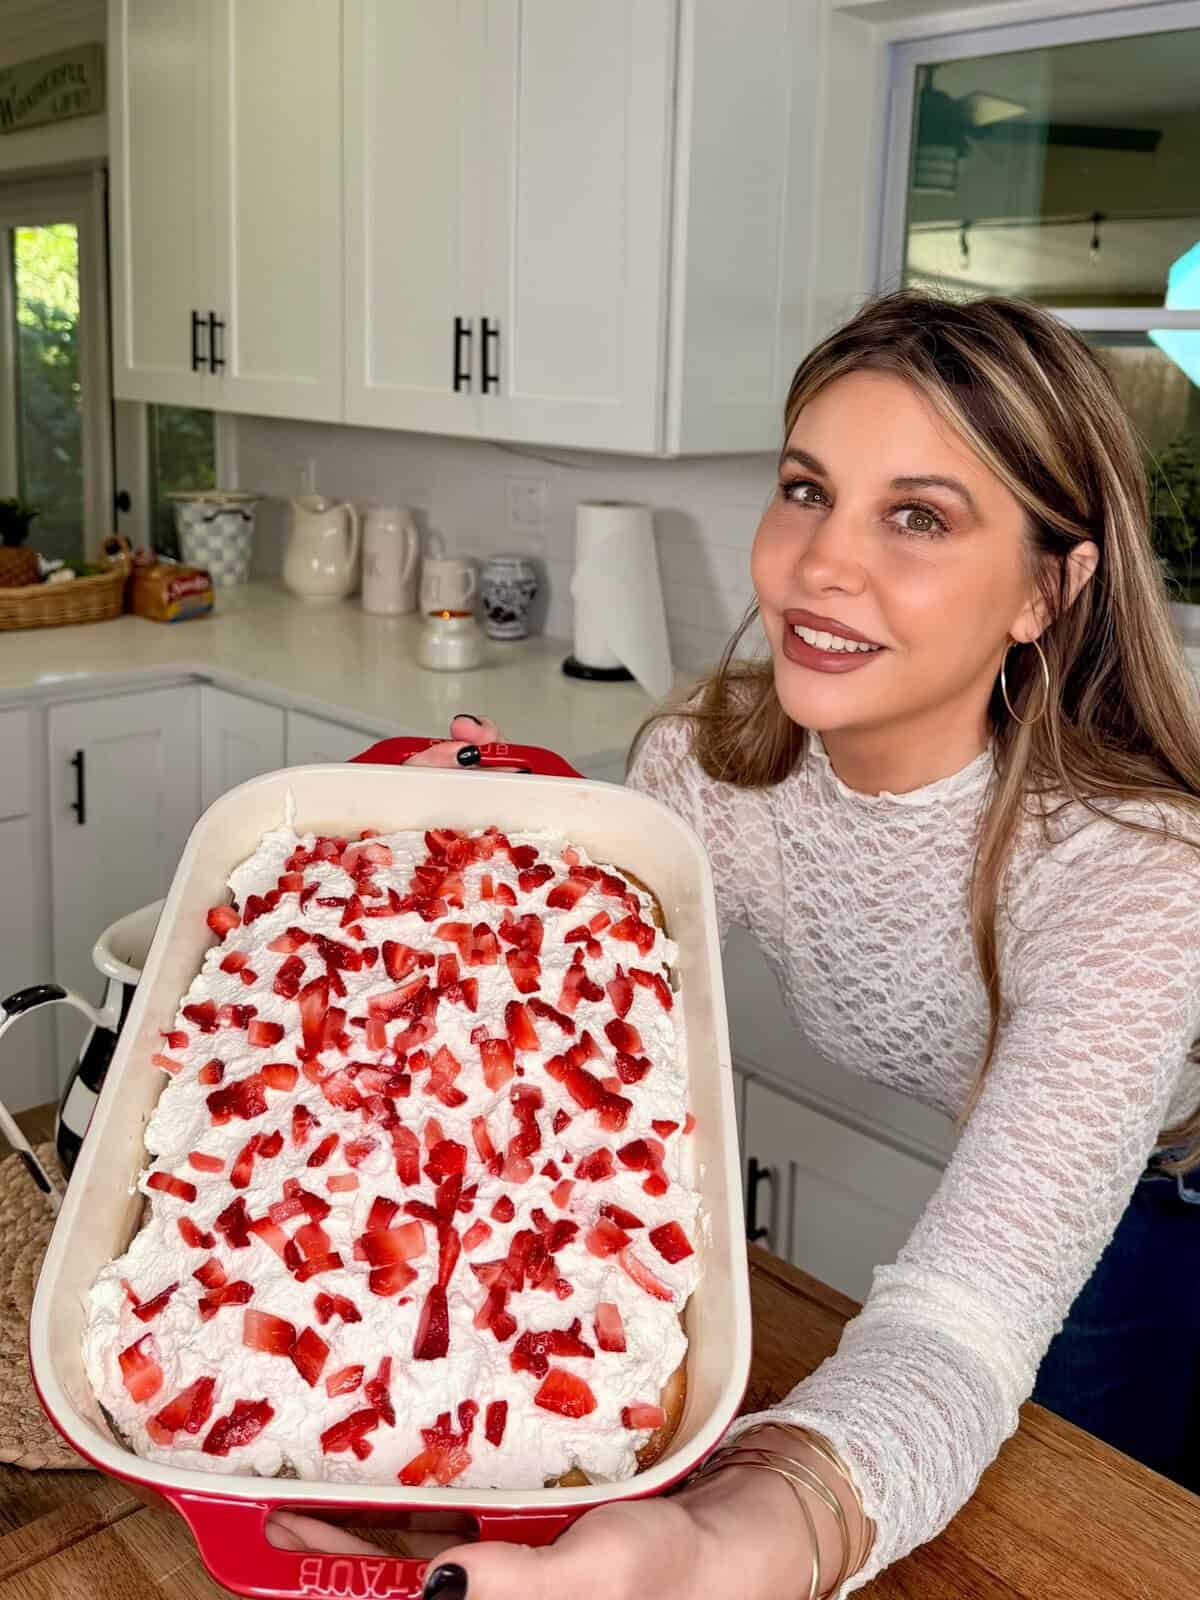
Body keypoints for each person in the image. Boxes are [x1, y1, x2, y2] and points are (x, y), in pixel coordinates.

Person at [274, 290, 1200, 1598]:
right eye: (808, 489)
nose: (822, 565)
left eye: (920, 517)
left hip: (1170, 1188)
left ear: (1049, 590)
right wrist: (449, 872)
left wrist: (718, 1551)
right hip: (1005, 1139)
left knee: (1097, 1531)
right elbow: (568, 1068)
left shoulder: (1134, 869)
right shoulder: (708, 761)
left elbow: (964, 1320)